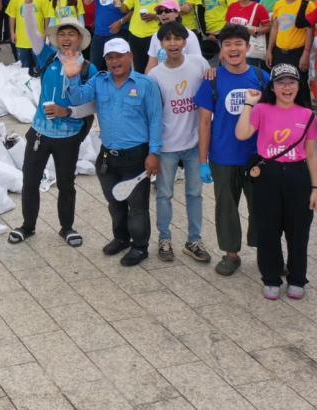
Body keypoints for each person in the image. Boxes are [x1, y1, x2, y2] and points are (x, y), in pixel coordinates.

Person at [7, 0, 94, 248]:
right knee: (30, 180)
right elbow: (32, 32)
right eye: (62, 34)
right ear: (56, 38)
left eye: (72, 34)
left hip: (68, 136)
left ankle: (66, 227)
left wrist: (67, 110)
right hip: (40, 132)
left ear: (80, 39)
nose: (67, 38)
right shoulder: (46, 57)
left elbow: (91, 107)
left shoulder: (88, 68)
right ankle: (27, 226)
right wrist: (30, 3)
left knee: (66, 184)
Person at [64, 37, 163, 266]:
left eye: (119, 56)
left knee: (137, 207)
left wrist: (154, 153)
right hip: (108, 156)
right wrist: (72, 76)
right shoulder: (100, 81)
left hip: (137, 156)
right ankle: (121, 238)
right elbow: (77, 97)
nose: (115, 61)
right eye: (110, 57)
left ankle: (140, 247)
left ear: (130, 57)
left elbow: (156, 120)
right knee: (114, 203)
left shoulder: (145, 84)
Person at [235, 63, 317, 300]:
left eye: (291, 82)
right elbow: (242, 134)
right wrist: (248, 104)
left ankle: (297, 278)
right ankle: (271, 277)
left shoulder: (307, 115)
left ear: (298, 85)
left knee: (299, 231)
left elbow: (312, 154)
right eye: (280, 83)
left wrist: (315, 188)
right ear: (272, 87)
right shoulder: (262, 109)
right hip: (268, 175)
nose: (286, 87)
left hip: (298, 175)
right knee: (268, 230)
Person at [195, 25, 271, 276]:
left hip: (256, 157)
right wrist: (203, 160)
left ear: (248, 47)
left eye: (239, 43)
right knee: (225, 206)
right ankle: (231, 253)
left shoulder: (262, 78)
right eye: (228, 44)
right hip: (223, 156)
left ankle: (266, 251)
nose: (233, 49)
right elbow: (204, 122)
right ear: (221, 50)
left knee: (261, 207)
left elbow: (274, 117)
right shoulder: (212, 80)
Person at [146, 22, 212, 263]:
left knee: (195, 193)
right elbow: (152, 113)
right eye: (167, 39)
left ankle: (194, 240)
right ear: (161, 44)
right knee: (164, 195)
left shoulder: (200, 64)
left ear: (186, 42)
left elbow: (209, 95)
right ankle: (164, 238)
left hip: (194, 144)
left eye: (178, 39)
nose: (173, 43)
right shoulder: (155, 75)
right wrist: (153, 149)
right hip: (167, 146)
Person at [116, 0, 175, 72]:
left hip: (156, 36)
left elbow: (174, 15)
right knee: (138, 69)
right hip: (135, 35)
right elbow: (124, 9)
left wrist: (155, 17)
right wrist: (117, 1)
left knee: (156, 70)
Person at [267, 0, 314, 105]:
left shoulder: (307, 4)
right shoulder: (279, 4)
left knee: (301, 86)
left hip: (297, 53)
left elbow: (310, 30)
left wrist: (306, 54)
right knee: (279, 84)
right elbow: (275, 28)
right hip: (279, 52)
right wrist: (270, 50)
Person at [82, 0, 133, 68]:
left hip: (119, 33)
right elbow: (87, 1)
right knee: (95, 67)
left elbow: (132, 11)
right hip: (99, 33)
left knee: (118, 67)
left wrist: (120, 22)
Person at [5, 0, 53, 74]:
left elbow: (47, 16)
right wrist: (12, 33)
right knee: (25, 69)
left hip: (37, 40)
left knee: (40, 67)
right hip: (21, 40)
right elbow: (12, 16)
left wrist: (45, 33)